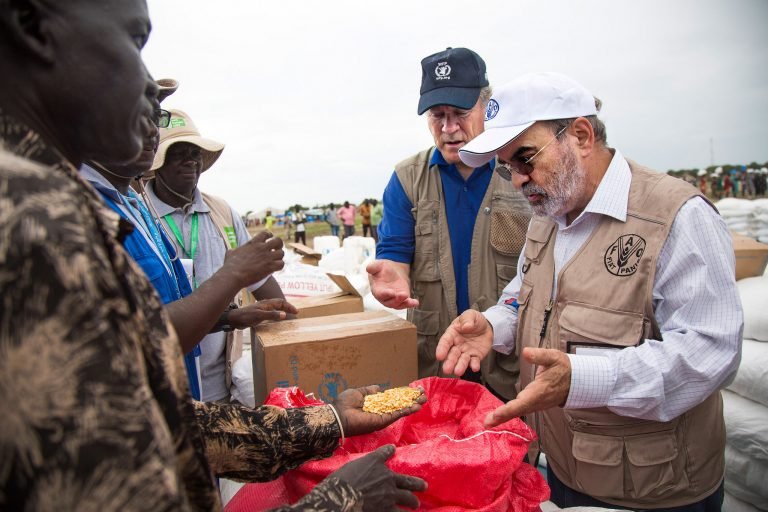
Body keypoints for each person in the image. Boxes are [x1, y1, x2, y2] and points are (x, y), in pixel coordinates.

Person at [0, 2, 427, 510]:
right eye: (134, 43)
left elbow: (159, 416)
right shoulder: (30, 223)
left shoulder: (60, 203)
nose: (146, 86)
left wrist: (329, 421)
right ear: (31, 25)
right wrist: (339, 502)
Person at [437, 72, 743, 511]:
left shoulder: (676, 217)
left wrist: (584, 379)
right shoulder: (547, 216)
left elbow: (710, 352)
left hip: (655, 491)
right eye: (506, 168)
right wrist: (492, 323)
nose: (518, 179)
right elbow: (523, 294)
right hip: (565, 471)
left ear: (580, 135)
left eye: (526, 158)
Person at [81, 81, 296, 400]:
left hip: (206, 382)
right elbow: (141, 338)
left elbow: (163, 312)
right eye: (178, 154)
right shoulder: (91, 210)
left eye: (155, 117)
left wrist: (232, 318)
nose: (151, 129)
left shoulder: (139, 209)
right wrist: (232, 274)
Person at [367, 47, 531, 401]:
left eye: (459, 113)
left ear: (487, 107)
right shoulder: (407, 179)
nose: (449, 128)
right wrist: (394, 277)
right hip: (439, 365)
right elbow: (395, 252)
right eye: (437, 116)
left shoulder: (519, 169)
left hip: (508, 368)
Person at [145, 109, 288, 403]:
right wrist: (231, 317)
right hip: (164, 383)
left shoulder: (221, 213)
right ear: (157, 163)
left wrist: (286, 322)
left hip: (217, 380)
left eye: (194, 153)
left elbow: (260, 280)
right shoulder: (141, 218)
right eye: (177, 153)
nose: (190, 161)